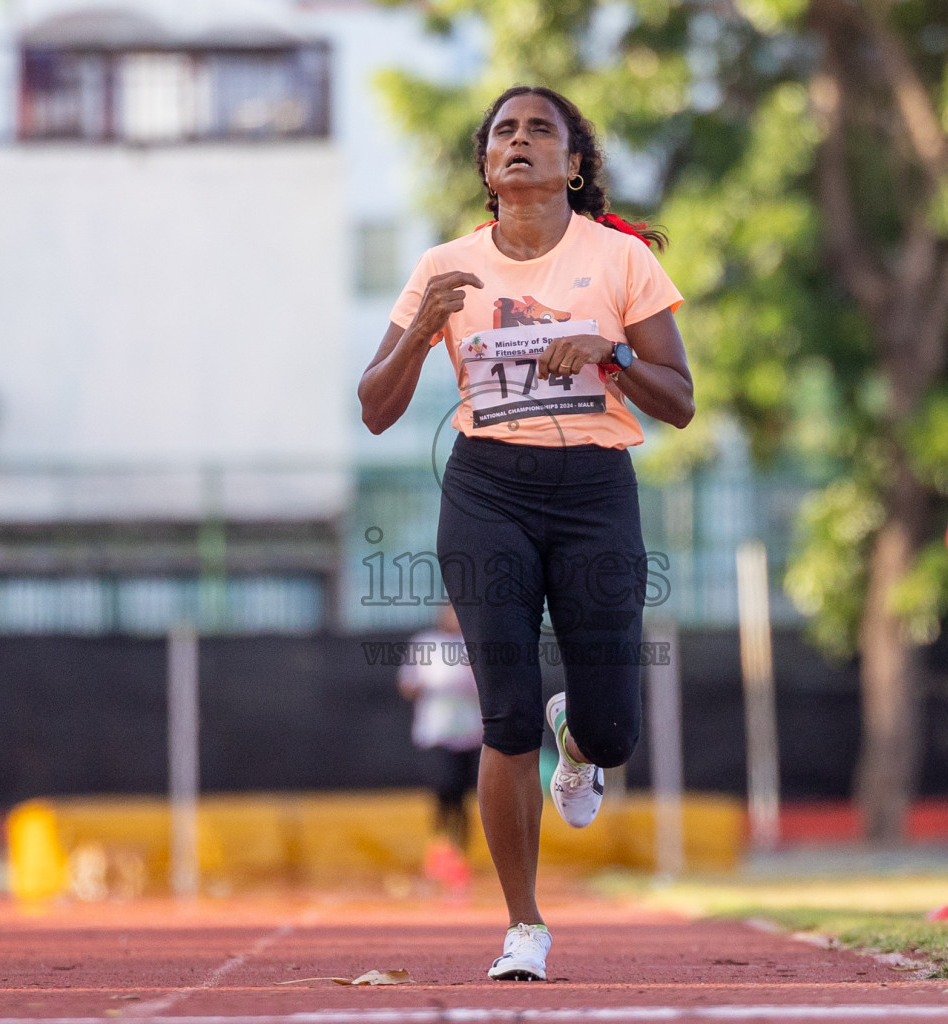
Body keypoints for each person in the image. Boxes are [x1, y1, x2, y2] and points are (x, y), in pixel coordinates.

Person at [359, 84, 693, 980]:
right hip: (486, 491)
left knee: (613, 730)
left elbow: (682, 403)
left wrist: (611, 353)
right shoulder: (443, 266)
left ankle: (578, 743)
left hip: (593, 491)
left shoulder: (618, 261)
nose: (519, 141)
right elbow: (374, 410)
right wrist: (418, 331)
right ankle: (523, 928)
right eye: (503, 131)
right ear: (484, 166)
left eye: (539, 130)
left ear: (572, 164)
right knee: (503, 718)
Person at [398, 603, 483, 882]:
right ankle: (440, 850)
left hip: (469, 733)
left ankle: (460, 854)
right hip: (437, 732)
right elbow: (408, 684)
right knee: (444, 789)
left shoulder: (474, 643)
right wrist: (429, 684)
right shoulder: (425, 643)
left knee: (464, 796)